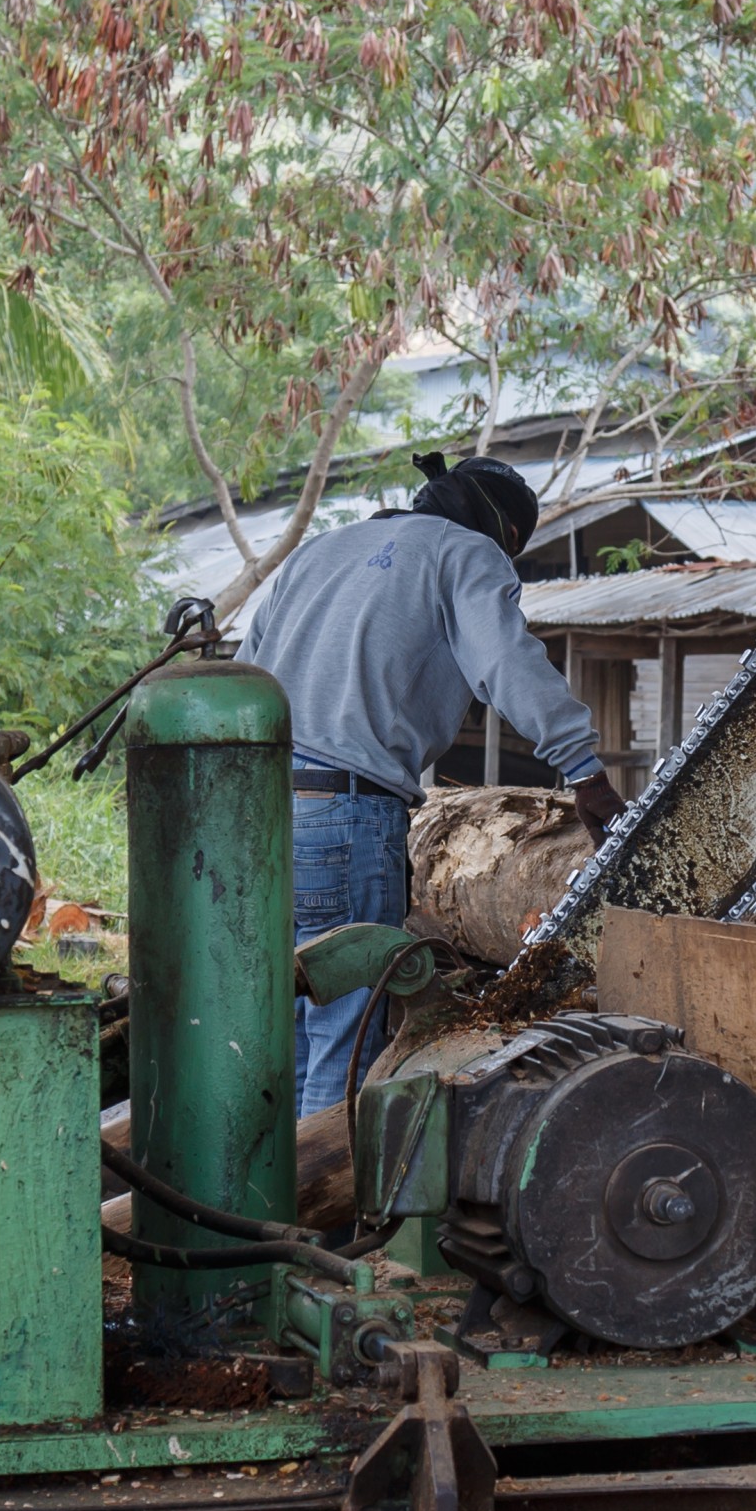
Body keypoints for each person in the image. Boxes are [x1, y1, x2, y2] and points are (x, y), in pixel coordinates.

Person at [237, 453, 625, 1113]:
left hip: (246, 808)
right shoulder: (464, 554)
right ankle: (329, 1215)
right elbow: (506, 662)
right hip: (342, 813)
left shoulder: (318, 551)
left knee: (276, 1028)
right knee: (347, 1035)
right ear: (502, 535)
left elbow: (240, 683)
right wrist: (583, 769)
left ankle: (263, 1210)